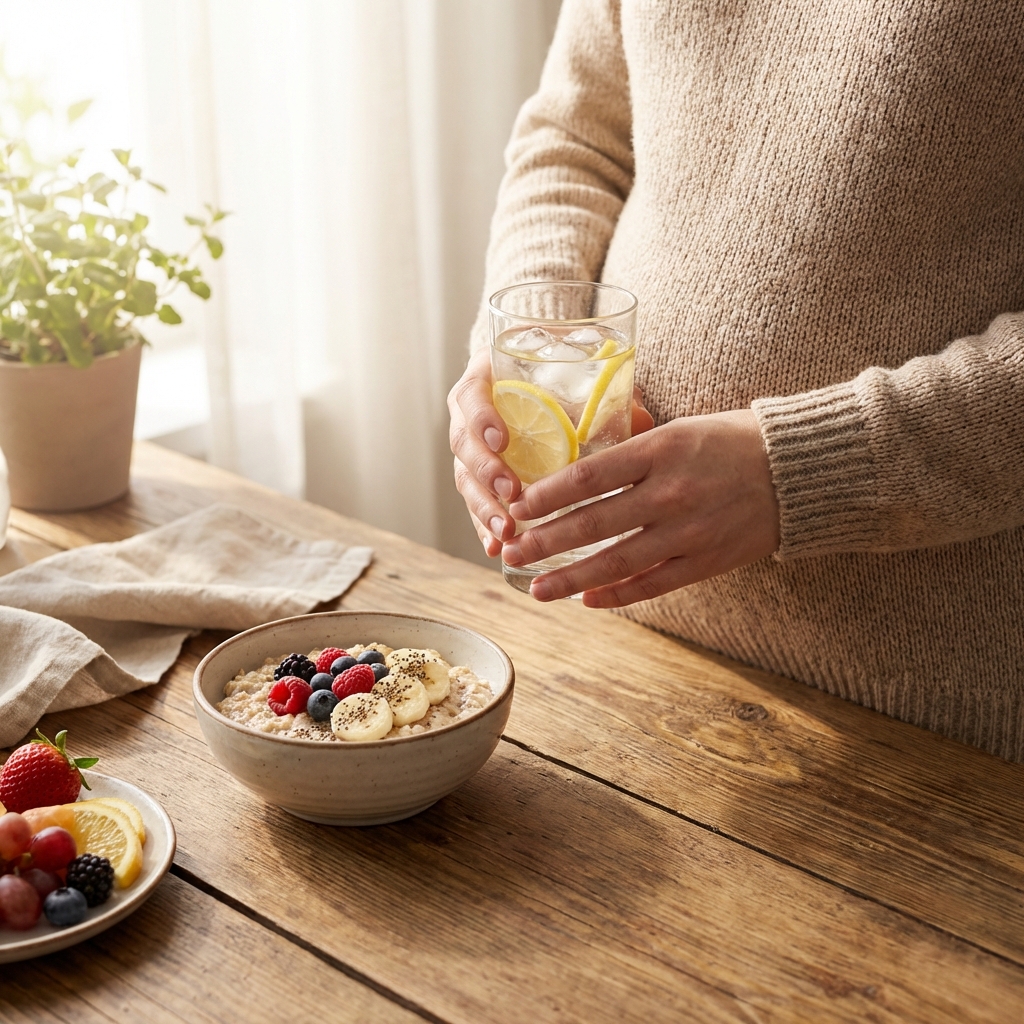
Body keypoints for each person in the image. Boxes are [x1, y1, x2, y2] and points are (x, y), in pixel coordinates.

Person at [448, 0, 1024, 762]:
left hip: (920, 720)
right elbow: (579, 137)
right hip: (606, 648)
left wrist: (800, 474)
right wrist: (536, 351)